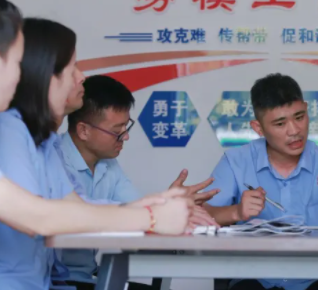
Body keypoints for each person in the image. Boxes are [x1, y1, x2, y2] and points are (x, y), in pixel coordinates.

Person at [0, 0, 189, 290]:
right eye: (18, 63)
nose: (23, 76)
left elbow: (63, 206)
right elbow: (34, 217)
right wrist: (149, 219)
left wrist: (142, 209)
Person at [0, 18, 191, 290]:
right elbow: (36, 218)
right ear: (43, 75)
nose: (81, 77)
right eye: (71, 68)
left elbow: (75, 204)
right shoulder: (5, 129)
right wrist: (150, 217)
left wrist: (153, 205)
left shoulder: (43, 141)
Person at [58, 74, 219, 289]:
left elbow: (135, 210)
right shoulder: (54, 160)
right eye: (117, 131)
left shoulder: (108, 165)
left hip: (88, 277)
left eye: (126, 127)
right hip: (55, 280)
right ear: (83, 130)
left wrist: (165, 205)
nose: (125, 137)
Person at [204, 73, 318, 290]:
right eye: (280, 123)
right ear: (258, 128)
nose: (294, 131)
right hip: (255, 279)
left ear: (306, 110)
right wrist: (236, 212)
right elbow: (202, 217)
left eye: (299, 117)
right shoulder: (236, 162)